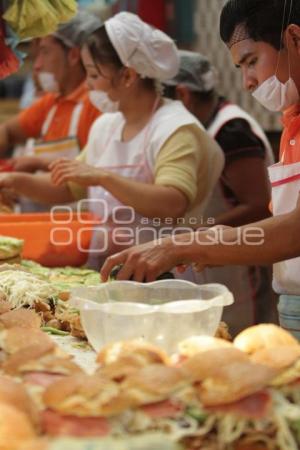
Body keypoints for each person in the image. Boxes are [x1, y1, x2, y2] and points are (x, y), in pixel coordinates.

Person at [100, 0, 300, 338]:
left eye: (251, 61)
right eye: (239, 68)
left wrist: (184, 245)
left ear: (294, 38)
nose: (248, 82)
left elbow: (294, 231)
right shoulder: (291, 124)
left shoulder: (224, 129)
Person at [0, 12, 224, 270]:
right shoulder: (106, 126)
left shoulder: (174, 129)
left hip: (165, 277)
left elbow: (172, 202)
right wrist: (14, 181)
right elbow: (67, 187)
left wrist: (102, 177)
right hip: (106, 269)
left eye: (94, 75)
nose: (89, 85)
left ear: (128, 77)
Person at [164, 50, 276, 332]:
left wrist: (196, 236)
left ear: (182, 95)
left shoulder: (231, 131)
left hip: (240, 271)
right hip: (213, 261)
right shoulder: (202, 128)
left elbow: (259, 205)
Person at [0, 10, 101, 173]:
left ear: (74, 55)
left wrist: (37, 164)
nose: (37, 65)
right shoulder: (53, 101)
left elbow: (95, 171)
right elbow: (7, 131)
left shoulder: (97, 103)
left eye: (45, 52)